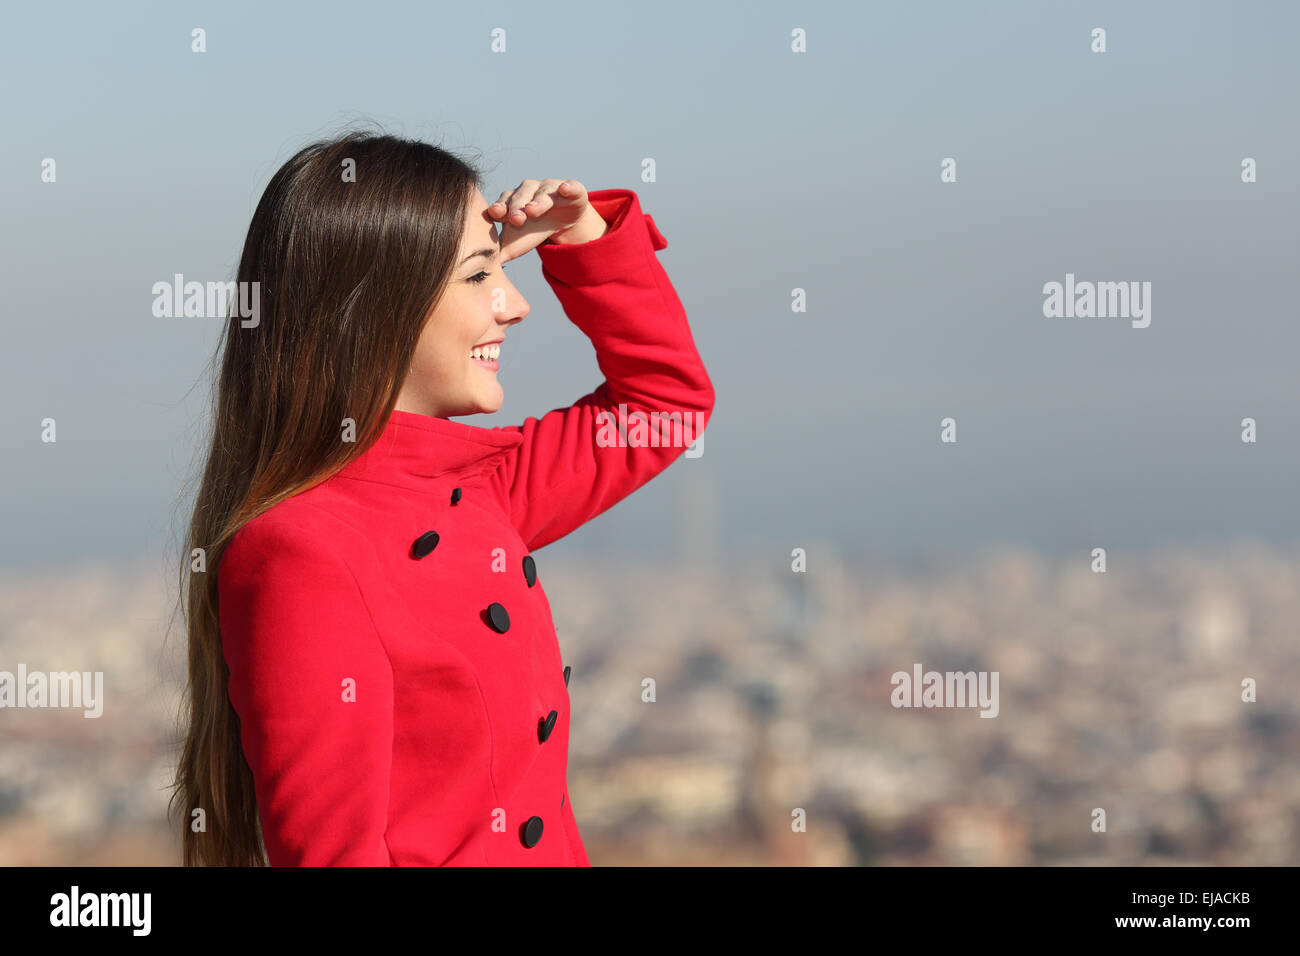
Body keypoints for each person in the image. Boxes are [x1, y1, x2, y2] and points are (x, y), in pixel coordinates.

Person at [170, 131, 715, 865]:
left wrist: (583, 238)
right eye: (476, 276)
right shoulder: (303, 552)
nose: (515, 305)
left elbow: (665, 405)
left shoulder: (482, 491)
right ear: (369, 310)